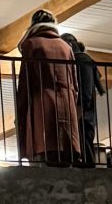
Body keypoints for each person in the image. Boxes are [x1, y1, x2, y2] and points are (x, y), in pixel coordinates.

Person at [14, 10, 81, 166]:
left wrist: (21, 108)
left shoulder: (31, 44)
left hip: (42, 106)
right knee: (66, 161)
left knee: (44, 157)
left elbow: (25, 80)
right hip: (67, 106)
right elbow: (75, 84)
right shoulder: (66, 47)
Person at [62, 30, 103, 166]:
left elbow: (85, 91)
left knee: (84, 143)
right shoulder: (81, 60)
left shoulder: (81, 60)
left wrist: (79, 110)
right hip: (82, 112)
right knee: (82, 144)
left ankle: (88, 171)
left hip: (82, 113)